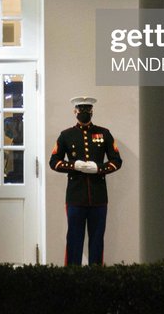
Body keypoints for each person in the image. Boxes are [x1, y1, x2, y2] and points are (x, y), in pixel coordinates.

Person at [49, 95, 122, 265]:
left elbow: (117, 160)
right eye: (80, 109)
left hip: (98, 197)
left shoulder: (104, 134)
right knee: (74, 240)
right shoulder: (66, 135)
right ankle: (72, 276)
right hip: (76, 196)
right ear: (74, 111)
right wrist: (73, 165)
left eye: (87, 109)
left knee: (97, 240)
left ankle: (96, 277)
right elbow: (54, 162)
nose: (84, 112)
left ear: (92, 111)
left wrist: (99, 168)